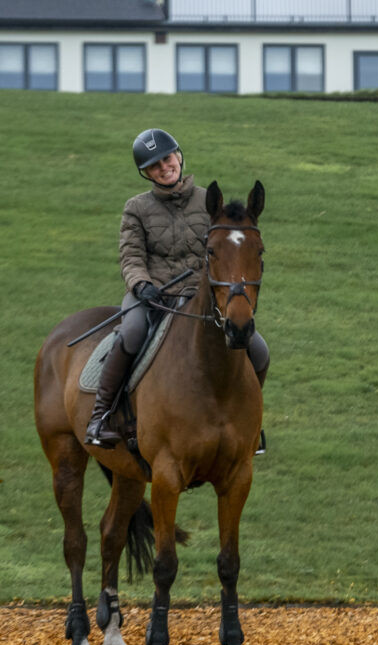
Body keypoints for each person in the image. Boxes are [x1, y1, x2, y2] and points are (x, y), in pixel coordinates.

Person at [84, 128, 270, 449]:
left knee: (258, 349)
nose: (163, 168)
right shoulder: (136, 208)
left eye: (167, 159)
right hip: (152, 296)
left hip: (199, 298)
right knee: (131, 333)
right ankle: (100, 417)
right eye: (153, 166)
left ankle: (249, 420)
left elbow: (225, 252)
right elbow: (131, 255)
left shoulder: (209, 203)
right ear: (146, 173)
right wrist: (141, 285)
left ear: (179, 156)